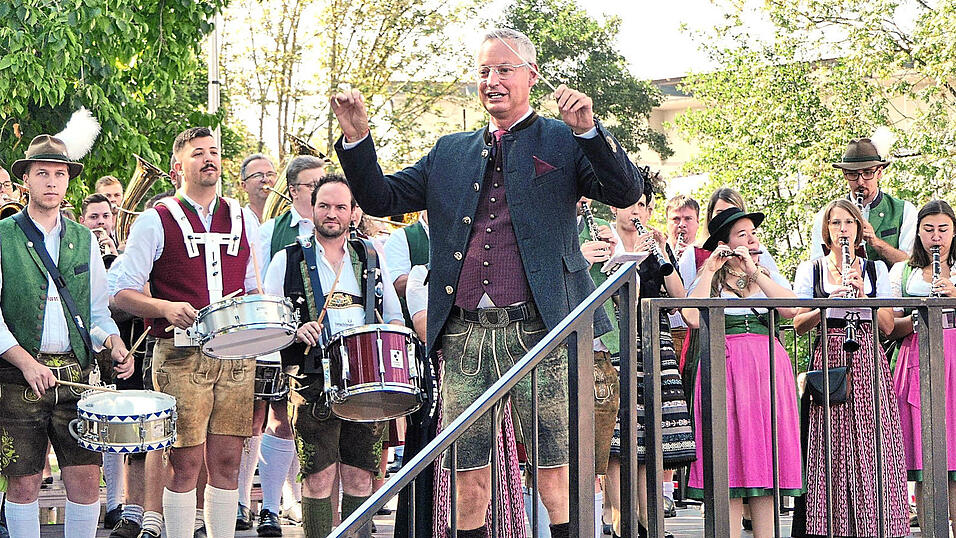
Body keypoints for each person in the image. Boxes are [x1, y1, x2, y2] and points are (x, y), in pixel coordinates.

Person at [330, 26, 641, 538]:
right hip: (465, 333)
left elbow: (624, 188)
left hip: (541, 329)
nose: (491, 81)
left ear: (531, 77)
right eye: (483, 72)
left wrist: (588, 131)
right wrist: (359, 140)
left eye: (503, 70)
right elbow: (383, 199)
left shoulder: (563, 140)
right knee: (467, 476)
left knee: (553, 470)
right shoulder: (449, 151)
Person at [109, 126, 262, 538]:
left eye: (214, 152)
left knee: (229, 460)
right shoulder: (154, 219)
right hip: (178, 354)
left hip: (235, 353)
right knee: (185, 463)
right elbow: (118, 293)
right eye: (198, 153)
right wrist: (162, 307)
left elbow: (253, 288)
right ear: (179, 166)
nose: (209, 158)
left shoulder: (244, 217)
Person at [0, 134, 132, 538]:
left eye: (60, 174)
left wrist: (113, 341)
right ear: (26, 180)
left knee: (86, 481)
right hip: (17, 378)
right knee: (22, 483)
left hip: (77, 377)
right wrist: (25, 361)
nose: (52, 182)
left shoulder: (85, 239)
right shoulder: (2, 235)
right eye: (42, 173)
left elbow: (95, 313)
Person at [263, 173, 404, 537]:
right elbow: (270, 320)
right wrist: (294, 331)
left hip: (365, 378)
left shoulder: (371, 255)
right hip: (310, 378)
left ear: (354, 213)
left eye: (341, 207)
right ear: (312, 209)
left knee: (360, 474)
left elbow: (392, 314)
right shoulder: (286, 258)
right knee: (318, 475)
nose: (332, 213)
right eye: (324, 205)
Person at [682, 207, 802, 538]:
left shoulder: (764, 273)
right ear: (725, 243)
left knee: (765, 459)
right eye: (742, 235)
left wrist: (755, 271)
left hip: (766, 368)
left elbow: (793, 309)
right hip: (725, 366)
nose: (751, 240)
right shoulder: (711, 277)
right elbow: (692, 317)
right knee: (729, 460)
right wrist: (711, 268)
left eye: (753, 233)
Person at [793, 199, 909, 537]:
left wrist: (865, 297)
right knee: (829, 444)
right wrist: (828, 305)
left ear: (858, 229)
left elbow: (887, 326)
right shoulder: (810, 269)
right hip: (829, 358)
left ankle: (876, 523)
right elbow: (799, 323)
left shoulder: (876, 270)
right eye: (835, 223)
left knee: (874, 442)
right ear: (826, 231)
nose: (842, 229)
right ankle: (829, 525)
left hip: (868, 360)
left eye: (848, 223)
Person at [605, 179, 695, 538]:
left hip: (654, 340)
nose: (635, 212)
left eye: (642, 205)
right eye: (629, 204)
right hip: (616, 340)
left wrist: (661, 254)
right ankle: (619, 520)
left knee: (648, 434)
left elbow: (677, 298)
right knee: (616, 436)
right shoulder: (604, 238)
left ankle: (647, 520)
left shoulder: (657, 246)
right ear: (614, 207)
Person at [246, 155, 325, 536]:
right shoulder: (270, 231)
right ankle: (269, 506)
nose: (319, 188)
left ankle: (304, 504)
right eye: (312, 184)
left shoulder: (340, 222)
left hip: (326, 342)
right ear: (293, 190)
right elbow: (257, 285)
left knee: (309, 425)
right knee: (274, 420)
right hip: (281, 338)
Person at [888, 199, 956, 535]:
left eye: (943, 229)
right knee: (926, 455)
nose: (936, 237)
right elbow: (889, 327)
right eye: (928, 229)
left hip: (954, 359)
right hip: (917, 357)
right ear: (918, 233)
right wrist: (919, 314)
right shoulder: (904, 272)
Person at [809, 138, 917, 266]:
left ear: (879, 172)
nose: (860, 182)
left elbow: (910, 265)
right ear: (845, 174)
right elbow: (817, 264)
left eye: (867, 173)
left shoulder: (905, 210)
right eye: (853, 174)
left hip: (890, 285)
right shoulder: (827, 214)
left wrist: (875, 242)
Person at [239, 153, 278, 224]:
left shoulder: (287, 219)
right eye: (258, 175)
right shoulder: (239, 222)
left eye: (270, 174)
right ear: (244, 186)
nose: (265, 179)